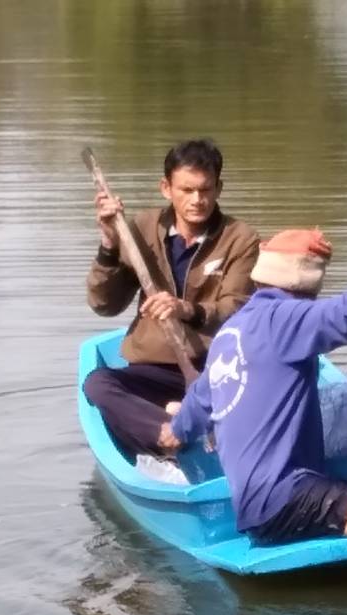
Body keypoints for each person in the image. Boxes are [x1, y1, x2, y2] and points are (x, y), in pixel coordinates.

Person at [160, 229, 347, 595]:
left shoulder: (232, 331)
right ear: (308, 286)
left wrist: (174, 433)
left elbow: (197, 404)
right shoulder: (284, 318)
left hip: (278, 495)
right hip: (281, 501)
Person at [82, 139, 261, 460]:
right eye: (186, 190)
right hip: (153, 367)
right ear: (166, 188)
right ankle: (170, 434)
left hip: (215, 369)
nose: (197, 200)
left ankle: (175, 431)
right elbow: (104, 304)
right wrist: (109, 244)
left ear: (219, 188)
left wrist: (186, 309)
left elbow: (236, 308)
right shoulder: (140, 228)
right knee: (97, 384)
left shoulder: (240, 238)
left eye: (205, 190)